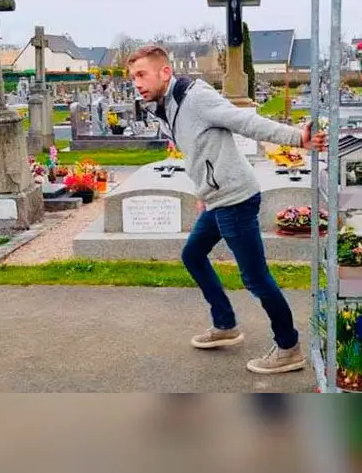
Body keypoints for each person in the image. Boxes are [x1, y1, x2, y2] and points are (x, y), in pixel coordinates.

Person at [129, 45, 327, 375]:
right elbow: (199, 151)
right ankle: (225, 325)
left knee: (256, 279)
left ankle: (289, 348)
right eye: (133, 77)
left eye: (141, 75)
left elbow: (245, 121)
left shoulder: (196, 98)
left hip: (235, 200)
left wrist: (297, 138)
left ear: (165, 72)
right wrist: (203, 190)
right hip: (218, 198)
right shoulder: (165, 106)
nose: (136, 83)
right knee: (193, 255)